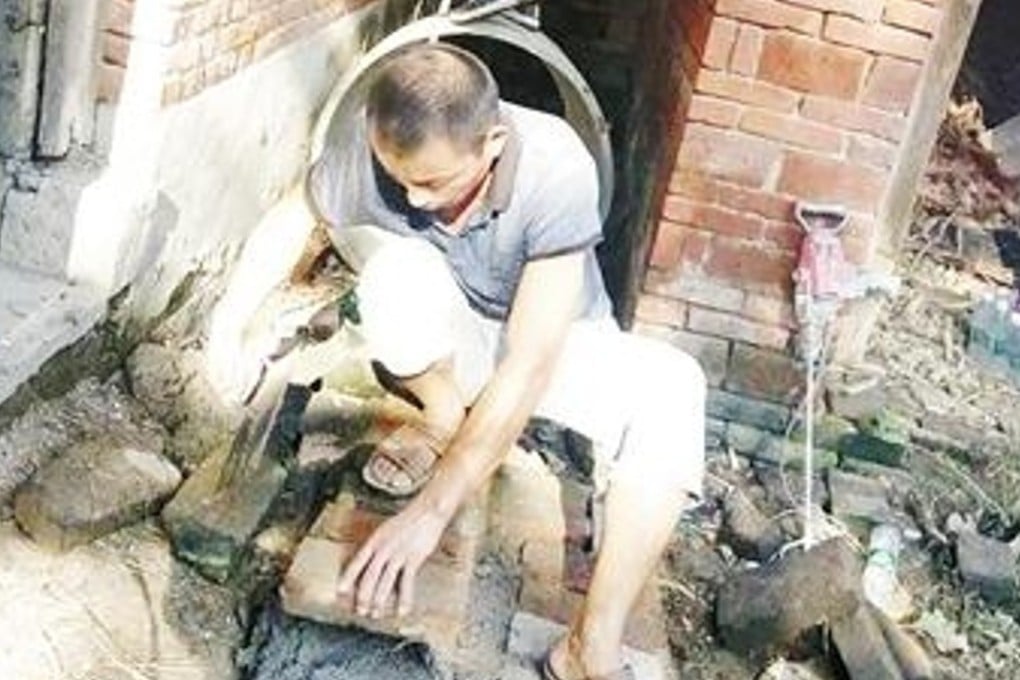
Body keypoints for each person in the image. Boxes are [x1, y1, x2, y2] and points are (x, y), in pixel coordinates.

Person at [210, 42, 706, 680]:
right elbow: (293, 215)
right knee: (392, 272)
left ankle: (589, 648)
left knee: (675, 389)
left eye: (436, 182)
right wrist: (231, 323)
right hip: (463, 332)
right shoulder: (380, 149)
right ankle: (445, 416)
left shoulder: (555, 166)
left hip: (556, 343)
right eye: (401, 180)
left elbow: (529, 364)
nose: (415, 200)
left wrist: (430, 515)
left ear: (493, 142)